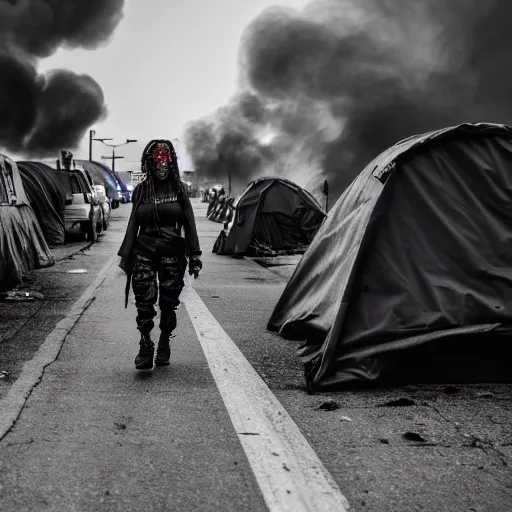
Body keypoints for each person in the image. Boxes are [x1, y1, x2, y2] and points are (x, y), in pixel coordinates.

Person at [118, 139, 202, 370]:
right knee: (144, 300)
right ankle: (145, 344)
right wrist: (126, 254)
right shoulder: (141, 190)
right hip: (143, 250)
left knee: (168, 301)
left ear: (172, 164)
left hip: (172, 252)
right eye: (158, 165)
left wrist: (195, 254)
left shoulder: (179, 190)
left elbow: (189, 223)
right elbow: (133, 221)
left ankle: (164, 341)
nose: (162, 169)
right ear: (150, 165)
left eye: (166, 165)